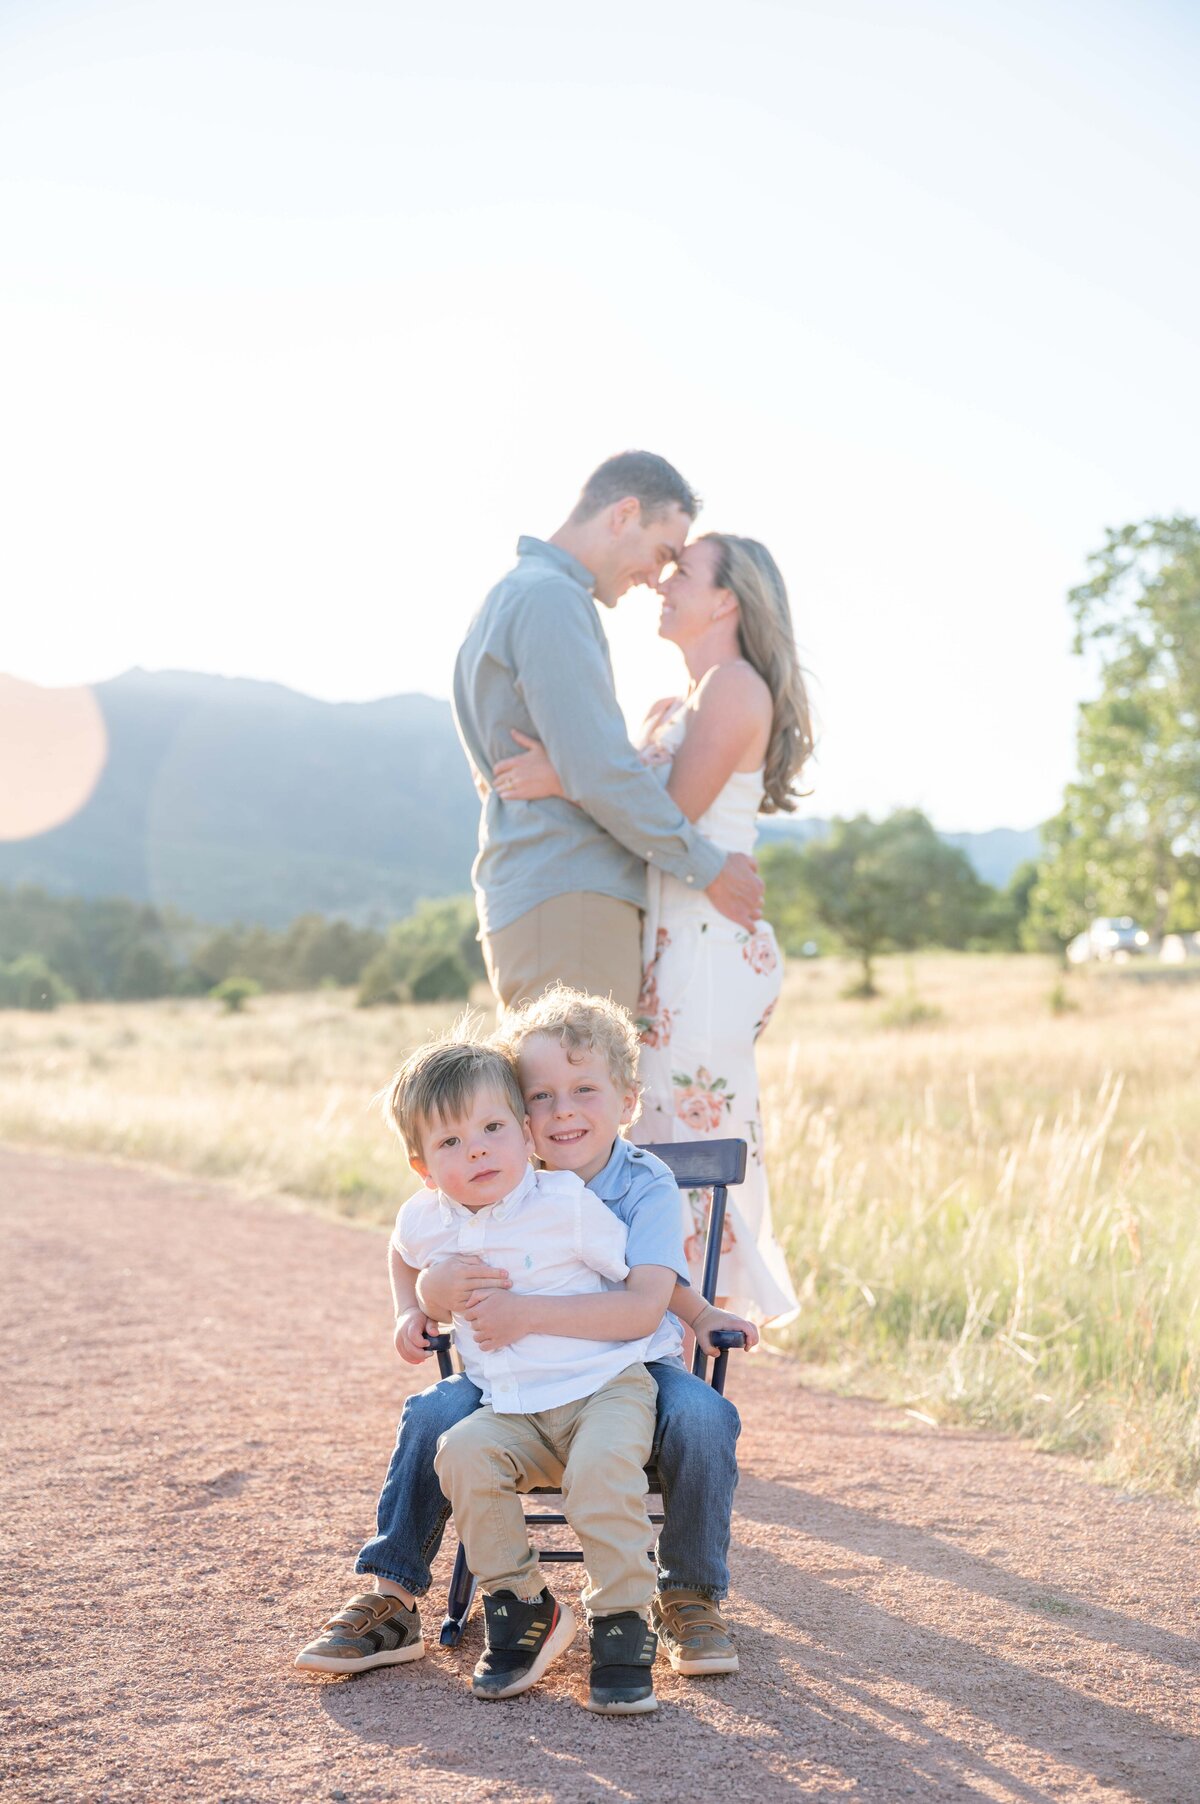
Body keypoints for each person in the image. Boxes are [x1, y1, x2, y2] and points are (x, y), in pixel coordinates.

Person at [294, 991, 757, 1686]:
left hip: (628, 1366)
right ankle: (392, 1595)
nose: (563, 1111)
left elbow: (643, 1292)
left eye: (584, 1090)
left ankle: (687, 1594)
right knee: (434, 1414)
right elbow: (415, 1245)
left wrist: (691, 1313)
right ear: (519, 1111)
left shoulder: (638, 1184)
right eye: (541, 1096)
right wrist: (418, 1301)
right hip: (513, 1374)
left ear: (626, 1100)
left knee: (702, 1414)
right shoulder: (503, 1167)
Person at [492, 535, 814, 1327]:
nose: (662, 585)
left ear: (727, 599)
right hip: (670, 942)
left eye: (685, 573)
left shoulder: (736, 687)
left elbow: (668, 817)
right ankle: (650, 1332)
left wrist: (564, 780)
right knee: (654, 1129)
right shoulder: (675, 704)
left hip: (708, 942)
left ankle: (700, 1334)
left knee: (692, 1137)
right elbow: (633, 801)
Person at [452, 450, 763, 1016]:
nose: (653, 579)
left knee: (570, 1097)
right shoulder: (552, 599)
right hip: (571, 898)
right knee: (585, 1099)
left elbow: (580, 767)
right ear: (622, 515)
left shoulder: (519, 593)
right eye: (660, 554)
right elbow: (599, 773)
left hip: (550, 895)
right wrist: (710, 866)